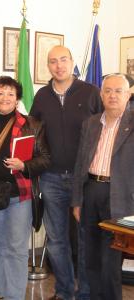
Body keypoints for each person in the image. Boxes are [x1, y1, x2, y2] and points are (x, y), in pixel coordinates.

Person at [29, 45, 103, 300]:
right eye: (53, 61)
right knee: (57, 239)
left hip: (85, 179)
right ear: (47, 66)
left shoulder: (91, 92)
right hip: (50, 178)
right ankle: (63, 292)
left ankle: (84, 293)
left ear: (72, 62)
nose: (58, 65)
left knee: (85, 240)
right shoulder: (41, 96)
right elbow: (32, 134)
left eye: (63, 60)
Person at [0, 76, 50, 300]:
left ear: (17, 99)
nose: (5, 98)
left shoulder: (33, 124)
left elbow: (45, 159)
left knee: (16, 248)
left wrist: (24, 165)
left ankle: (14, 295)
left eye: (10, 94)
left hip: (20, 195)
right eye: (0, 93)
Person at [72, 73, 134, 300]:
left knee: (111, 258)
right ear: (100, 94)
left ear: (128, 95)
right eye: (107, 90)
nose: (112, 95)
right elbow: (80, 163)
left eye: (118, 91)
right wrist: (77, 200)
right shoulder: (91, 123)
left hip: (120, 195)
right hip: (91, 191)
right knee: (91, 254)